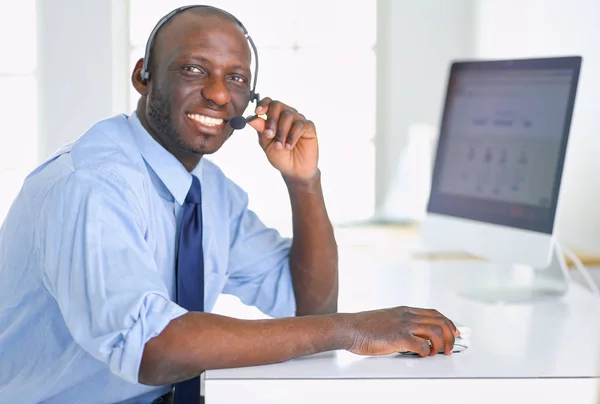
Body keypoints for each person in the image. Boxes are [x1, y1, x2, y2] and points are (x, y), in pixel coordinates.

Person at [0, 5, 459, 404]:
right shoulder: (93, 184)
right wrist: (353, 330)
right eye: (193, 69)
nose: (219, 94)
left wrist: (303, 181)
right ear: (144, 76)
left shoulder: (208, 188)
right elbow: (154, 348)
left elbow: (309, 306)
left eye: (236, 79)